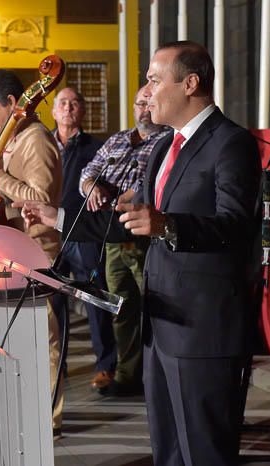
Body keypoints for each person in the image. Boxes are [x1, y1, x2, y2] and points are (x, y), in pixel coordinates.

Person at [17, 41, 261, 465]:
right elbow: (128, 220)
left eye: (153, 79)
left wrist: (167, 224)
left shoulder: (231, 143)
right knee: (166, 450)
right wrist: (56, 216)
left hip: (205, 331)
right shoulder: (164, 148)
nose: (146, 92)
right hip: (160, 326)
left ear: (190, 83)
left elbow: (237, 226)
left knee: (205, 452)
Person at [0, 68, 65, 437]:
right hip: (12, 250)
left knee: (44, 339)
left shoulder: (37, 140)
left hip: (37, 250)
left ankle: (50, 419)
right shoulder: (11, 139)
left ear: (12, 103)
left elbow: (43, 201)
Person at [78, 86, 169, 396]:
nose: (143, 108)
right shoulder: (117, 140)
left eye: (149, 103)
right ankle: (128, 375)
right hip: (114, 237)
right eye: (139, 103)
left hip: (147, 236)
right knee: (122, 307)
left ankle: (158, 375)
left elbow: (151, 184)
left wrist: (124, 195)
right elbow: (87, 172)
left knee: (155, 307)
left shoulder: (166, 141)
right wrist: (92, 186)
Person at [49, 87, 117, 392]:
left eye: (75, 103)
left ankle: (106, 366)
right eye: (62, 103)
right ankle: (58, 366)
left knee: (95, 298)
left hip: (85, 233)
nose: (68, 108)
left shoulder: (97, 148)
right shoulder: (43, 145)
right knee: (54, 303)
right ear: (53, 111)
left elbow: (108, 186)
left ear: (83, 111)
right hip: (51, 233)